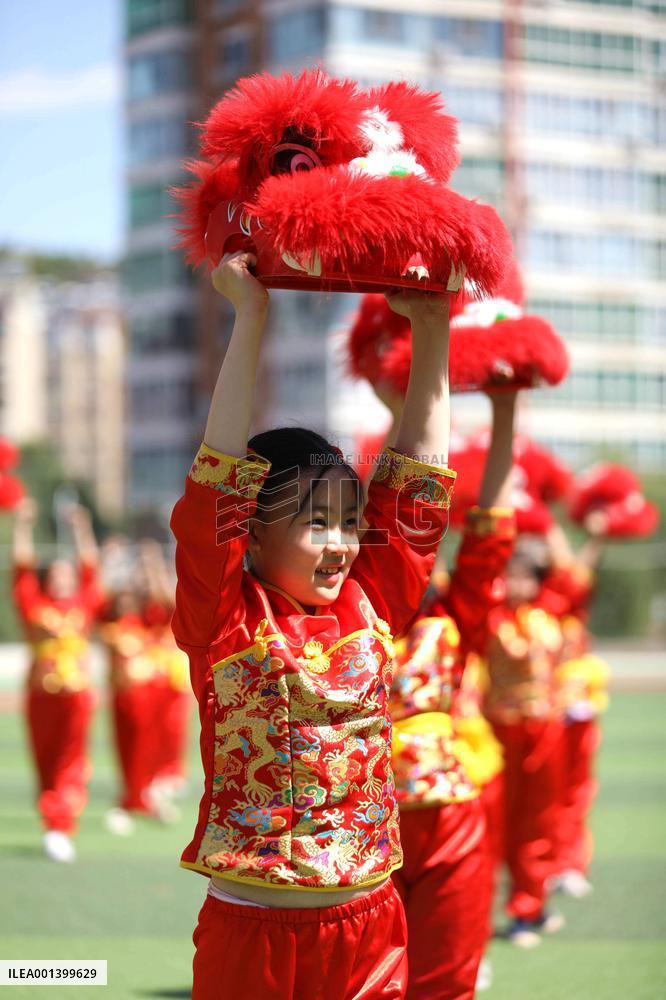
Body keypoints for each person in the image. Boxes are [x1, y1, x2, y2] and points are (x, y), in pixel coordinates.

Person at [170, 250, 455, 999]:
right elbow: (215, 483)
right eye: (315, 524)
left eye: (350, 523)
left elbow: (420, 487)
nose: (340, 545)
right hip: (250, 936)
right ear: (253, 532)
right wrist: (251, 313)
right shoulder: (224, 618)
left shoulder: (373, 601)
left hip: (370, 929)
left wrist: (433, 329)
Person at [388, 392, 517, 999]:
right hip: (358, 822)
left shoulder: (455, 614)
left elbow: (490, 531)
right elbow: (385, 499)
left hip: (448, 818)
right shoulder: (345, 611)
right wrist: (402, 405)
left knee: (444, 986)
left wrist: (506, 407)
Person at [483, 534, 565, 947]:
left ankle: (530, 905)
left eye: (526, 575)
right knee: (498, 823)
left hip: (545, 731)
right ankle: (488, 912)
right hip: (500, 731)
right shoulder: (490, 618)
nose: (517, 583)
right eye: (511, 574)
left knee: (538, 821)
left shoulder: (547, 617)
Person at [12, 499, 104, 862]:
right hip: (40, 693)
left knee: (70, 760)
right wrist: (22, 525)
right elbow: (20, 571)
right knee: (45, 759)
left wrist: (81, 527)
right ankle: (51, 819)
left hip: (77, 694)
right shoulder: (34, 605)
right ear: (48, 579)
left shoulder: (84, 602)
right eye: (57, 575)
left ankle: (61, 826)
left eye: (68, 575)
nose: (63, 580)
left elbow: (91, 568)